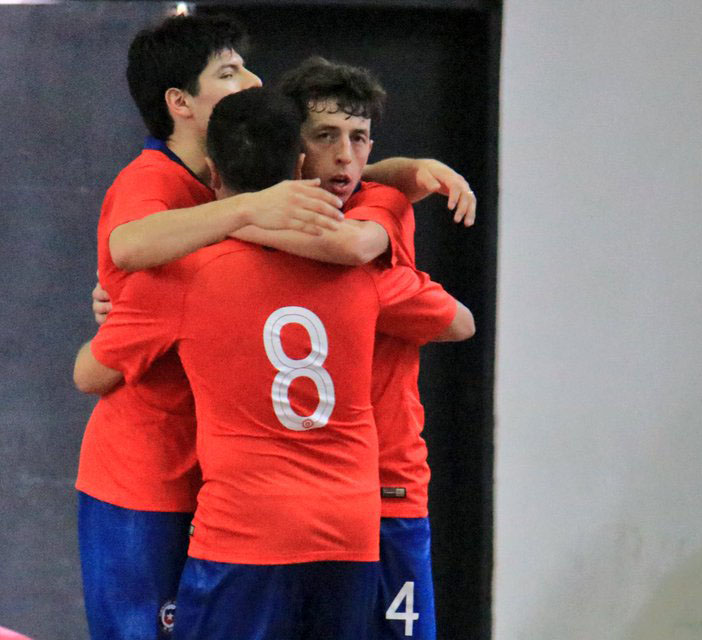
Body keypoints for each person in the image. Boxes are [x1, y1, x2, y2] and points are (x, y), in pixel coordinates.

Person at [78, 13, 477, 639]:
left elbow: (351, 240)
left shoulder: (306, 226)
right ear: (180, 103)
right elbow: (127, 251)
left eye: (360, 139)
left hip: (245, 496)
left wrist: (391, 176)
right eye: (230, 71)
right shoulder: (155, 183)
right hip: (155, 478)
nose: (251, 79)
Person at [280, 56, 473, 639]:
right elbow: (456, 321)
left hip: (384, 488)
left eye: (358, 138)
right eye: (325, 136)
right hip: (303, 498)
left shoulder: (376, 207)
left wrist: (408, 174)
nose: (344, 155)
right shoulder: (358, 226)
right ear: (293, 146)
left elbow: (460, 323)